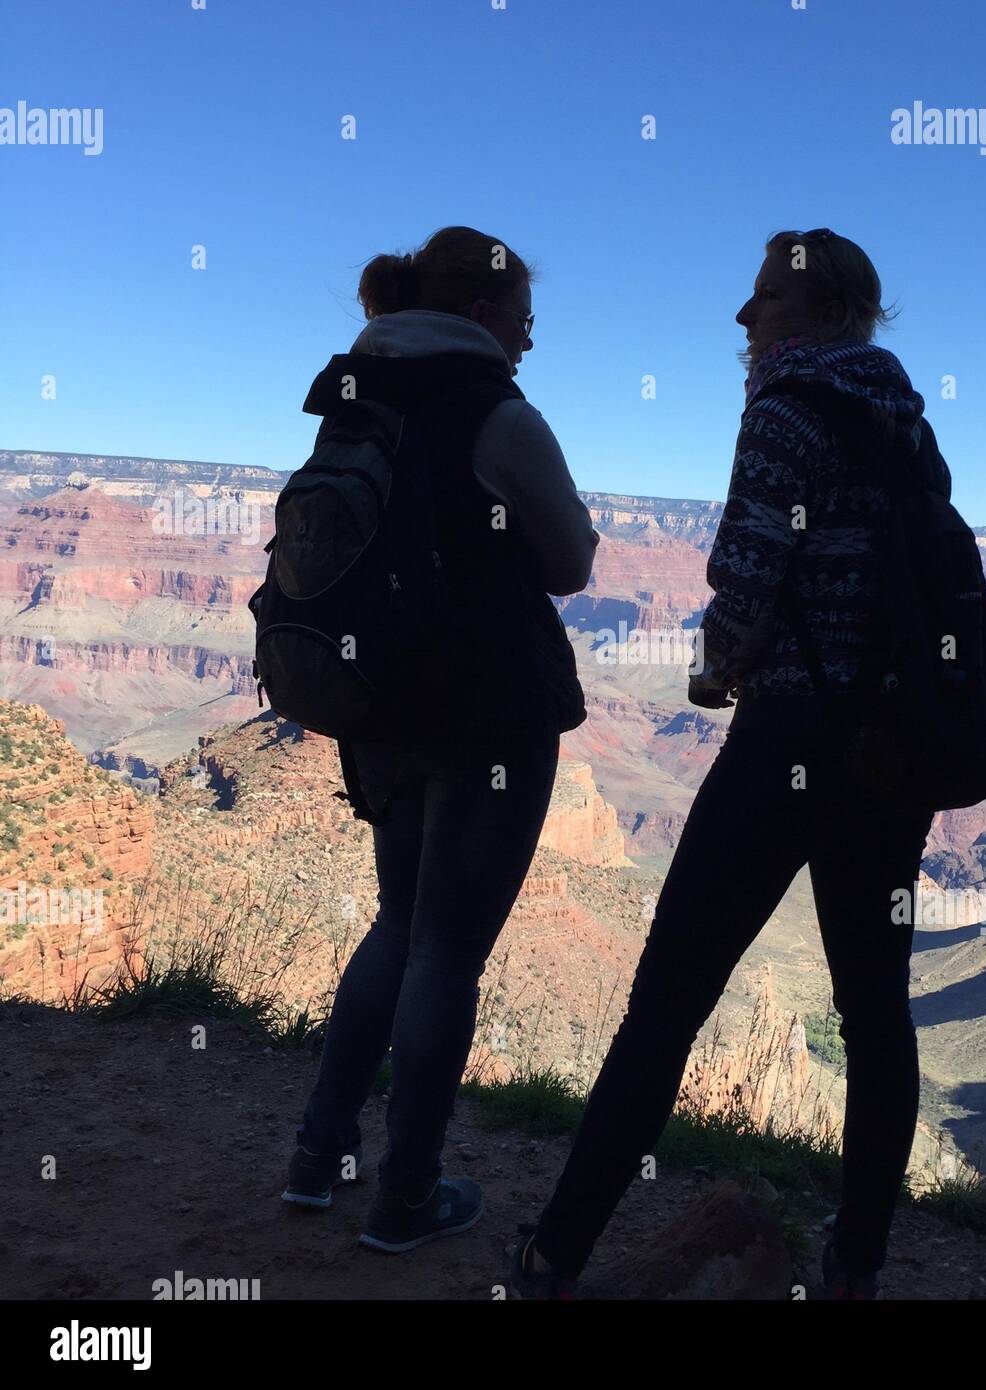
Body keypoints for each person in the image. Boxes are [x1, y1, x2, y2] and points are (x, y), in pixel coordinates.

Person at [512, 229, 948, 1299]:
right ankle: (855, 1265)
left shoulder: (786, 405)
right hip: (891, 752)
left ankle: (552, 1253)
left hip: (789, 739)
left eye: (762, 304)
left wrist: (713, 669)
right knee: (875, 1013)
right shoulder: (905, 419)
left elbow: (747, 575)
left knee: (666, 1002)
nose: (743, 323)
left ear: (815, 313)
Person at [281, 226, 599, 1253]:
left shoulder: (358, 392)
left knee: (397, 923)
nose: (531, 343)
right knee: (447, 952)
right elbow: (569, 564)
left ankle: (315, 1158)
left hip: (377, 702)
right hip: (487, 715)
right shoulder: (494, 408)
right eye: (524, 320)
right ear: (482, 313)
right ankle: (405, 1195)